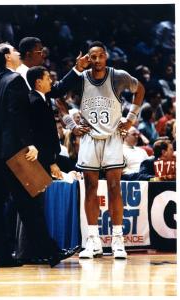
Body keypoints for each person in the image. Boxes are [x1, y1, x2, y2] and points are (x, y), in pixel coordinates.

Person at [0, 42, 78, 268]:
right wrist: (28, 144)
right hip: (13, 154)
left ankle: (1, 256)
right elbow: (18, 116)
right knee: (30, 204)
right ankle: (50, 253)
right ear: (7, 57)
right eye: (14, 51)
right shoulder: (15, 80)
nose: (17, 54)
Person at [60, 41, 145, 259]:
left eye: (99, 56)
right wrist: (70, 124)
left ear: (106, 56)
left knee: (115, 187)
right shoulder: (80, 78)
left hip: (113, 137)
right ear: (88, 58)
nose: (96, 60)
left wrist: (131, 119)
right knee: (90, 187)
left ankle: (118, 240)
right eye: (92, 57)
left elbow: (140, 89)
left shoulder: (119, 76)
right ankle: (93, 240)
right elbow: (57, 95)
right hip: (89, 137)